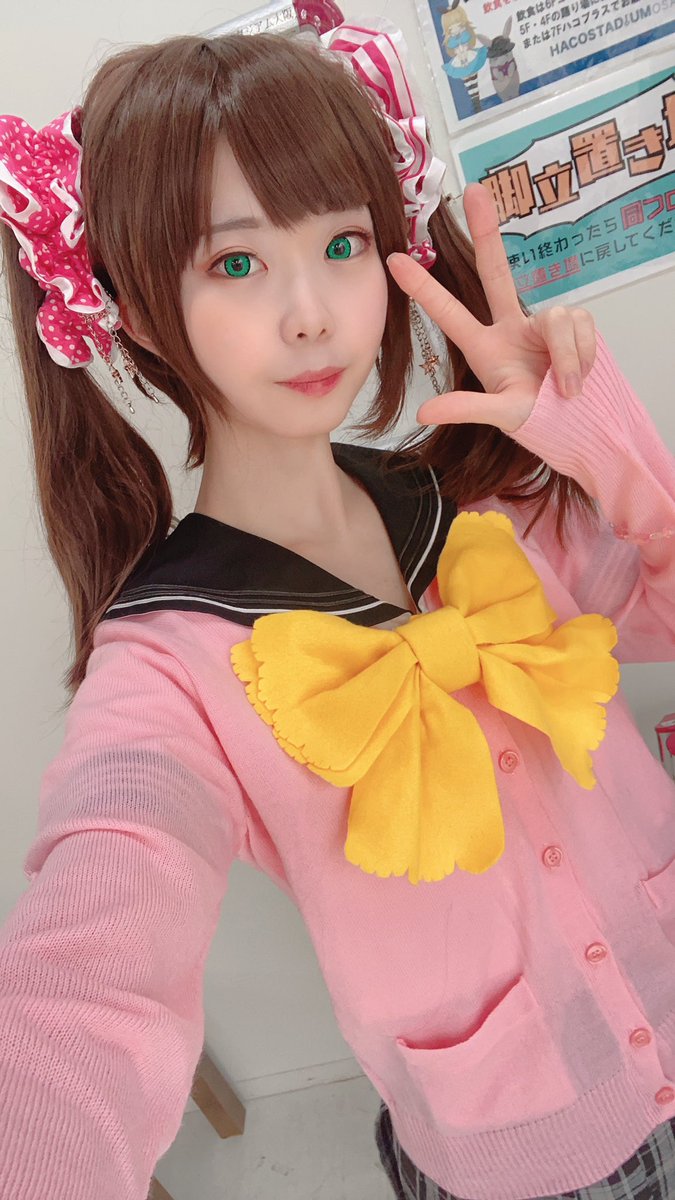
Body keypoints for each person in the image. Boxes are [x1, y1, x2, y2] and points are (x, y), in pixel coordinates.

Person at [0, 17, 674, 1200]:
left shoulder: (480, 498)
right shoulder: (166, 665)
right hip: (528, 1152)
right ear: (139, 313)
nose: (312, 312)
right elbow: (90, 974)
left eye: (344, 243)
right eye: (237, 264)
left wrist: (601, 442)